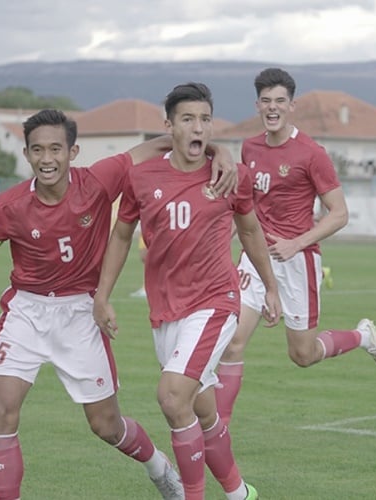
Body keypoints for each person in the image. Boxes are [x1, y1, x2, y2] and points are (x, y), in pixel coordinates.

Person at [0, 109, 237, 500]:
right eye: (37, 150)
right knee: (2, 413)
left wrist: (218, 149)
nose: (47, 159)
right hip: (26, 312)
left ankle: (157, 465)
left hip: (80, 314)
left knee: (106, 426)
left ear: (73, 151)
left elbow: (165, 142)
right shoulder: (10, 206)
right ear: (26, 154)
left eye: (56, 149)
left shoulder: (99, 180)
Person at [93, 83, 281, 500]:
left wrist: (270, 286)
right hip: (167, 311)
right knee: (202, 409)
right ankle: (239, 493)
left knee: (173, 396)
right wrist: (102, 295)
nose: (199, 127)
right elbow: (121, 236)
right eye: (188, 119)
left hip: (215, 303)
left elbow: (250, 230)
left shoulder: (231, 175)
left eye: (205, 119)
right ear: (170, 126)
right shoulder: (141, 178)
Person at [215, 68, 376, 426]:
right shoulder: (249, 147)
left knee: (303, 354)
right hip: (255, 260)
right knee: (231, 343)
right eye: (266, 101)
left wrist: (297, 243)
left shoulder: (311, 153)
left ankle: (362, 336)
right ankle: (218, 434)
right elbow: (246, 207)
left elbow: (339, 213)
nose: (272, 107)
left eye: (280, 101)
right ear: (257, 105)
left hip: (297, 263)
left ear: (292, 105)